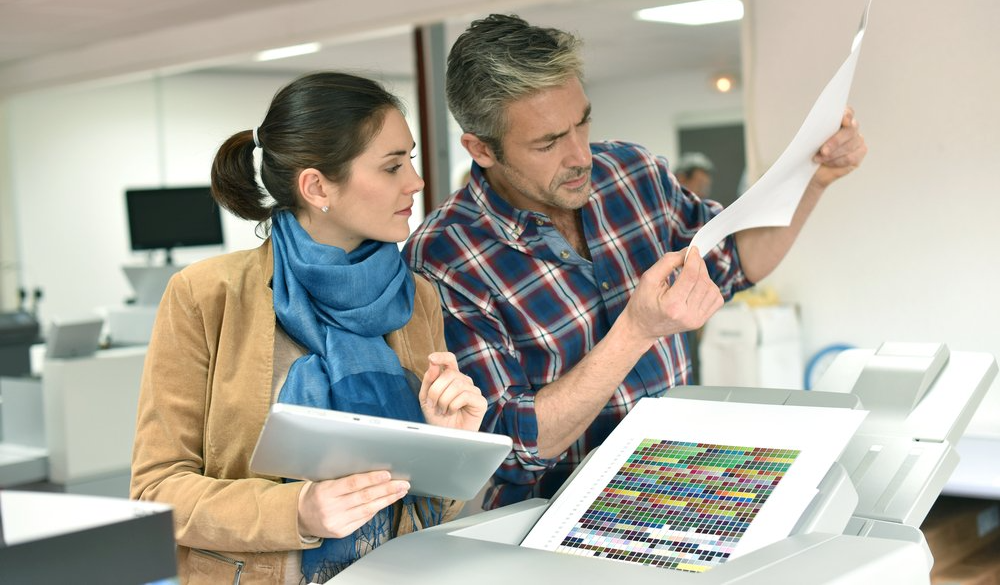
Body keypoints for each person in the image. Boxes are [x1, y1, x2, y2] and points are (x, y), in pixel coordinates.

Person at [402, 14, 867, 510]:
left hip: (687, 481)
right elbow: (508, 448)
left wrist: (815, 179)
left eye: (582, 122)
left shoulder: (631, 172)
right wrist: (636, 330)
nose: (580, 155)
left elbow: (735, 262)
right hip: (552, 520)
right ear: (481, 148)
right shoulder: (444, 256)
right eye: (548, 142)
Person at [130, 71, 488, 584]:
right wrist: (296, 510)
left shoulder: (418, 297)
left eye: (408, 158)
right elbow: (155, 493)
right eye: (392, 166)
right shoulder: (207, 295)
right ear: (317, 186)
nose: (415, 181)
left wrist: (447, 446)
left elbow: (428, 509)